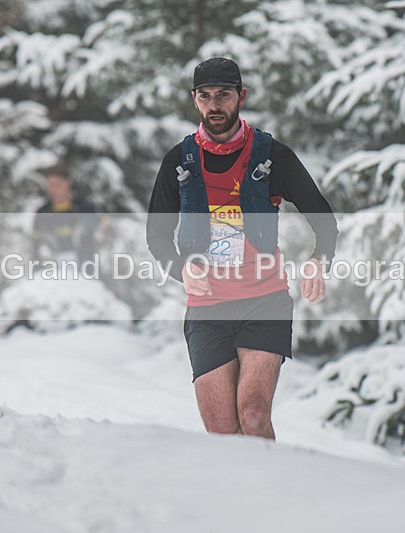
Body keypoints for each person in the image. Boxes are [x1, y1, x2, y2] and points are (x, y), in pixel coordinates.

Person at [146, 57, 338, 439]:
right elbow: (156, 235)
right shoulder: (179, 161)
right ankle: (238, 497)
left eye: (224, 95)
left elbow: (324, 219)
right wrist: (181, 268)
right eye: (205, 96)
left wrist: (318, 261)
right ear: (194, 100)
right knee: (221, 428)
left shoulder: (273, 156)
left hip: (265, 301)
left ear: (241, 97)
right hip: (207, 308)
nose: (215, 105)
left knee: (252, 416)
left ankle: (273, 494)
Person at [31, 163, 100, 265]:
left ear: (67, 183)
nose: (53, 189)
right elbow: (36, 248)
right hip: (52, 274)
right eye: (50, 186)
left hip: (86, 272)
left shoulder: (85, 208)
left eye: (57, 185)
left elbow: (101, 239)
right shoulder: (42, 213)